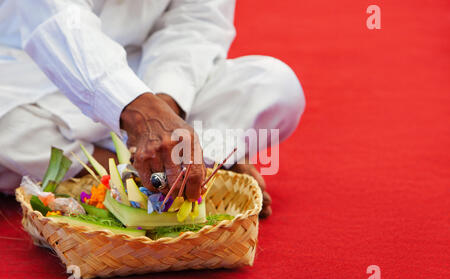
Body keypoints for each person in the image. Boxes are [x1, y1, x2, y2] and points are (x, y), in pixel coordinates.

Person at [0, 0, 305, 217]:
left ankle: (161, 168)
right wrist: (137, 112)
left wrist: (165, 108)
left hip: (147, 73)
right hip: (31, 76)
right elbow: (57, 22)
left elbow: (195, 24)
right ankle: (189, 173)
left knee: (274, 85)